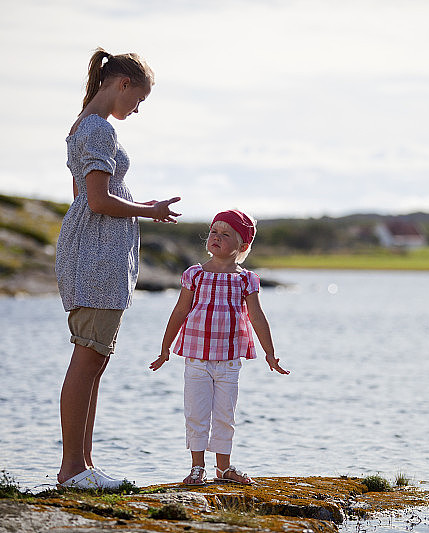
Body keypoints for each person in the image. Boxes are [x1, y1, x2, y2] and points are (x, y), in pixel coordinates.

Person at [55, 47, 181, 489]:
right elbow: (96, 201)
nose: (137, 109)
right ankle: (73, 469)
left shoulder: (84, 126)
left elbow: (85, 197)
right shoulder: (99, 129)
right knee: (87, 359)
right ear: (123, 84)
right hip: (97, 258)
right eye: (138, 99)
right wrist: (150, 211)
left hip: (96, 253)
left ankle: (83, 466)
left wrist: (133, 207)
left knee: (94, 361)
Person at [149, 209, 289, 486]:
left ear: (242, 246)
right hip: (196, 360)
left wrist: (270, 354)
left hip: (229, 361)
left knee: (225, 415)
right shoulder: (194, 274)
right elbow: (179, 311)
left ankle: (223, 468)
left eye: (226, 234)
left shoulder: (246, 279)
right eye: (214, 231)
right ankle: (197, 467)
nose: (216, 237)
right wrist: (165, 349)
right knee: (196, 413)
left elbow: (257, 317)